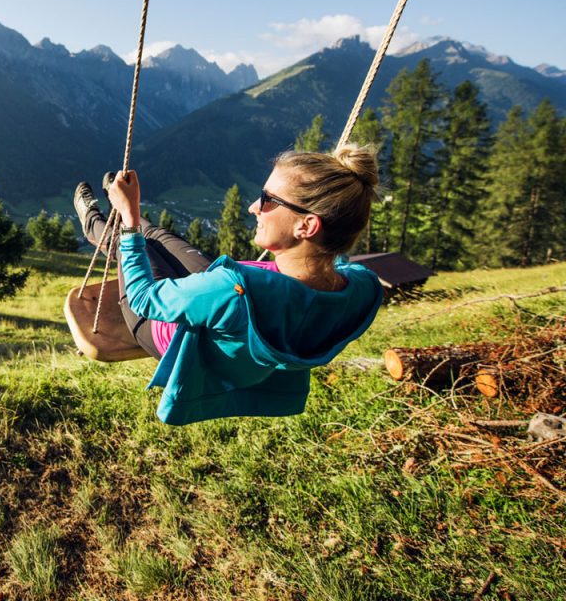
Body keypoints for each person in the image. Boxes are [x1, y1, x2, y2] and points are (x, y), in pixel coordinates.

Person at [72, 145, 384, 425]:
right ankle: (116, 212)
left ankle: (95, 222)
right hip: (225, 304)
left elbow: (142, 298)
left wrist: (128, 216)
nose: (254, 207)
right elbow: (342, 267)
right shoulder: (363, 289)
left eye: (268, 200)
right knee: (152, 235)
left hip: (161, 328)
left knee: (134, 236)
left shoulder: (233, 289)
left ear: (307, 225)